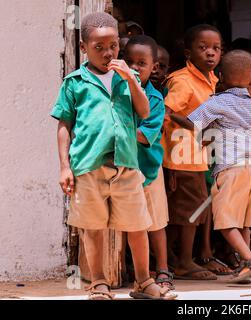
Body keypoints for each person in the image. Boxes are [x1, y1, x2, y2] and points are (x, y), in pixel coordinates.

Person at [51, 12, 174, 299]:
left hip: (126, 166)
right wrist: (64, 167)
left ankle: (144, 282)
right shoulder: (75, 82)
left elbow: (144, 112)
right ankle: (99, 284)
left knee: (137, 226)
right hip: (88, 167)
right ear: (84, 48)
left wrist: (131, 80)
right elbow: (63, 125)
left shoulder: (127, 78)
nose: (108, 53)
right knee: (92, 229)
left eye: (114, 46)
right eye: (99, 48)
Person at [171, 50, 251, 283]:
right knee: (245, 222)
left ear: (219, 77)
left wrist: (172, 115)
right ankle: (246, 271)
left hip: (230, 168)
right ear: (250, 79)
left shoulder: (217, 102)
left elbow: (192, 123)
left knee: (225, 222)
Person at [161, 24, 222, 281]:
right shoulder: (183, 81)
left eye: (216, 48)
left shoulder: (214, 80)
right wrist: (193, 129)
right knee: (190, 210)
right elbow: (165, 113)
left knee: (187, 210)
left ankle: (176, 258)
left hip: (198, 157)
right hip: (182, 156)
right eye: (203, 47)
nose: (211, 53)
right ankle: (185, 262)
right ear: (188, 52)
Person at [123, 35, 178, 293]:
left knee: (155, 223)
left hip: (148, 169)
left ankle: (163, 269)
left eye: (141, 63)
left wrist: (115, 129)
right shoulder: (117, 92)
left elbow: (145, 135)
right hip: (123, 170)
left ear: (153, 67)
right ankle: (132, 272)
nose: (135, 68)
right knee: (128, 223)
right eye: (129, 62)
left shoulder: (154, 99)